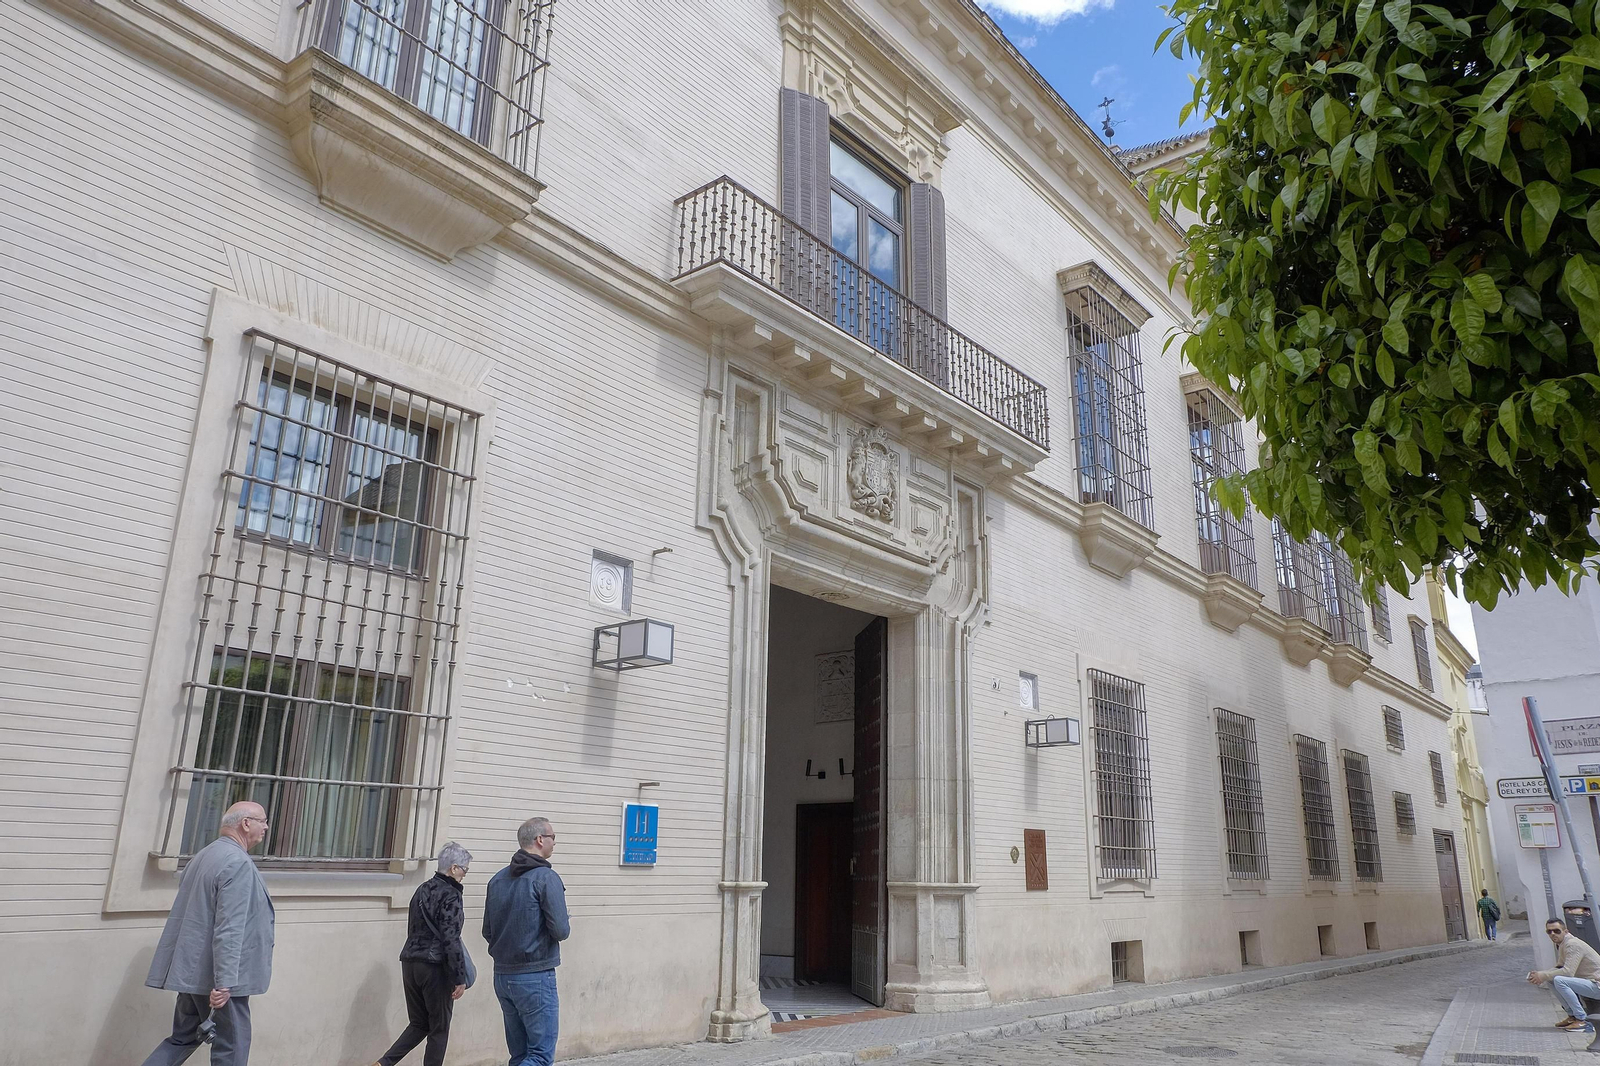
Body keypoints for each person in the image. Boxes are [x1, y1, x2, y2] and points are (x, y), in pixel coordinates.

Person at [141, 800, 275, 1066]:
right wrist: (224, 982)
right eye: (263, 820)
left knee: (182, 1039)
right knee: (232, 1048)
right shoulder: (237, 863)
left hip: (191, 972)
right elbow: (230, 927)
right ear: (246, 823)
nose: (266, 827)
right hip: (218, 979)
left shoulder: (203, 856)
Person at [369, 842, 474, 1066]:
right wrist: (459, 977)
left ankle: (384, 1063)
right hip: (435, 967)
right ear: (454, 868)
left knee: (419, 1023)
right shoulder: (452, 895)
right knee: (439, 1028)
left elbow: (413, 927)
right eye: (465, 869)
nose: (465, 875)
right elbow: (450, 938)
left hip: (410, 962)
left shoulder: (421, 889)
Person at [483, 817, 570, 1066]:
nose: (555, 843)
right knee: (540, 1057)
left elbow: (487, 930)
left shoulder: (497, 880)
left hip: (502, 976)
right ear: (540, 839)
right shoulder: (545, 878)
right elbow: (561, 930)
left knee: (520, 1055)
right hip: (536, 976)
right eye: (553, 837)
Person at [1528, 917, 1600, 1032]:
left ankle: (1582, 1020)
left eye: (1556, 931)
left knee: (1559, 980)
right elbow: (1560, 966)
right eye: (1549, 932)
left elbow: (1568, 972)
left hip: (1597, 984)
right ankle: (1572, 1016)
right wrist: (1540, 975)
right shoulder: (1563, 943)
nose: (1552, 934)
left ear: (1565, 931)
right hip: (1590, 983)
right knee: (1552, 979)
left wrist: (1543, 975)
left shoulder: (1572, 944)